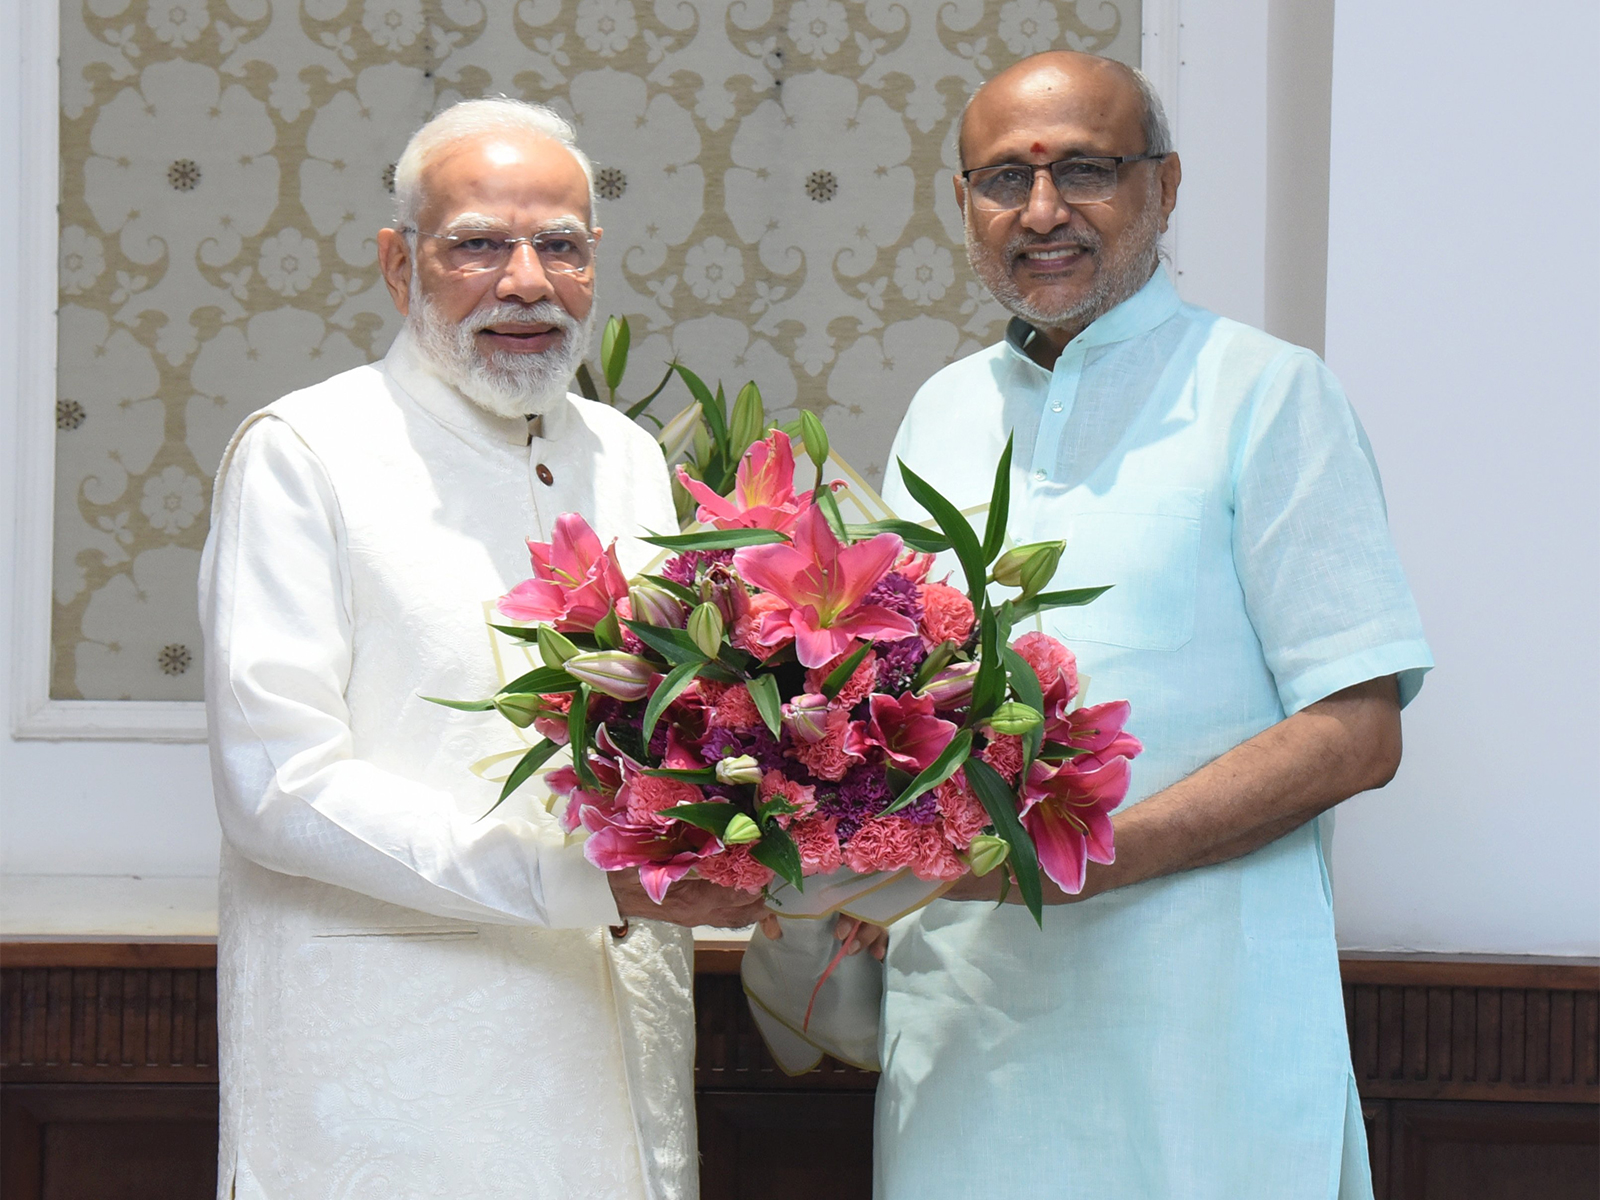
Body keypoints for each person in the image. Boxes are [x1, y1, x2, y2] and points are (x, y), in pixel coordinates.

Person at [759, 51, 1432, 1198]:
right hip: (971, 1034)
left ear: (1163, 188)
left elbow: (1356, 731)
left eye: (1084, 169)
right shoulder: (943, 411)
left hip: (1201, 1034)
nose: (1040, 211)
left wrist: (1082, 865)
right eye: (1000, 180)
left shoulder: (1267, 392)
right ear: (963, 204)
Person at [199, 99, 765, 1200]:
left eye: (559, 244)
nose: (524, 280)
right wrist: (582, 884)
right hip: (399, 1082)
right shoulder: (304, 452)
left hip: (621, 1053)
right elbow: (275, 785)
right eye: (476, 244)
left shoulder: (632, 459)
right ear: (398, 264)